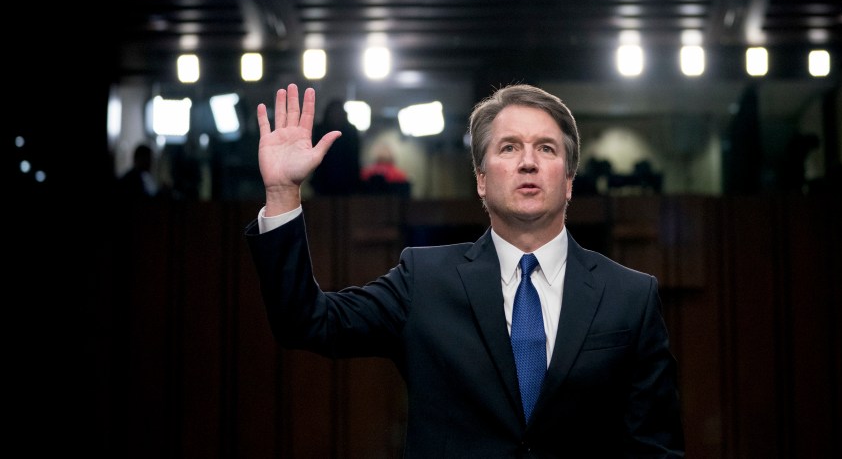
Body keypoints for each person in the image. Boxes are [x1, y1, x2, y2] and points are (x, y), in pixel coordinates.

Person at [245, 83, 685, 457]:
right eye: (509, 147)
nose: (527, 162)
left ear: (569, 180)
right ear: (480, 178)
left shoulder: (630, 295)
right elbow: (306, 321)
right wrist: (283, 192)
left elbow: (658, 447)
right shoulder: (424, 280)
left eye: (545, 149)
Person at [308, 98, 362, 196]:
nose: (336, 116)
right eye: (333, 113)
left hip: (347, 182)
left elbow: (354, 158)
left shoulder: (350, 132)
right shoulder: (320, 130)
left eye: (338, 113)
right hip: (323, 181)